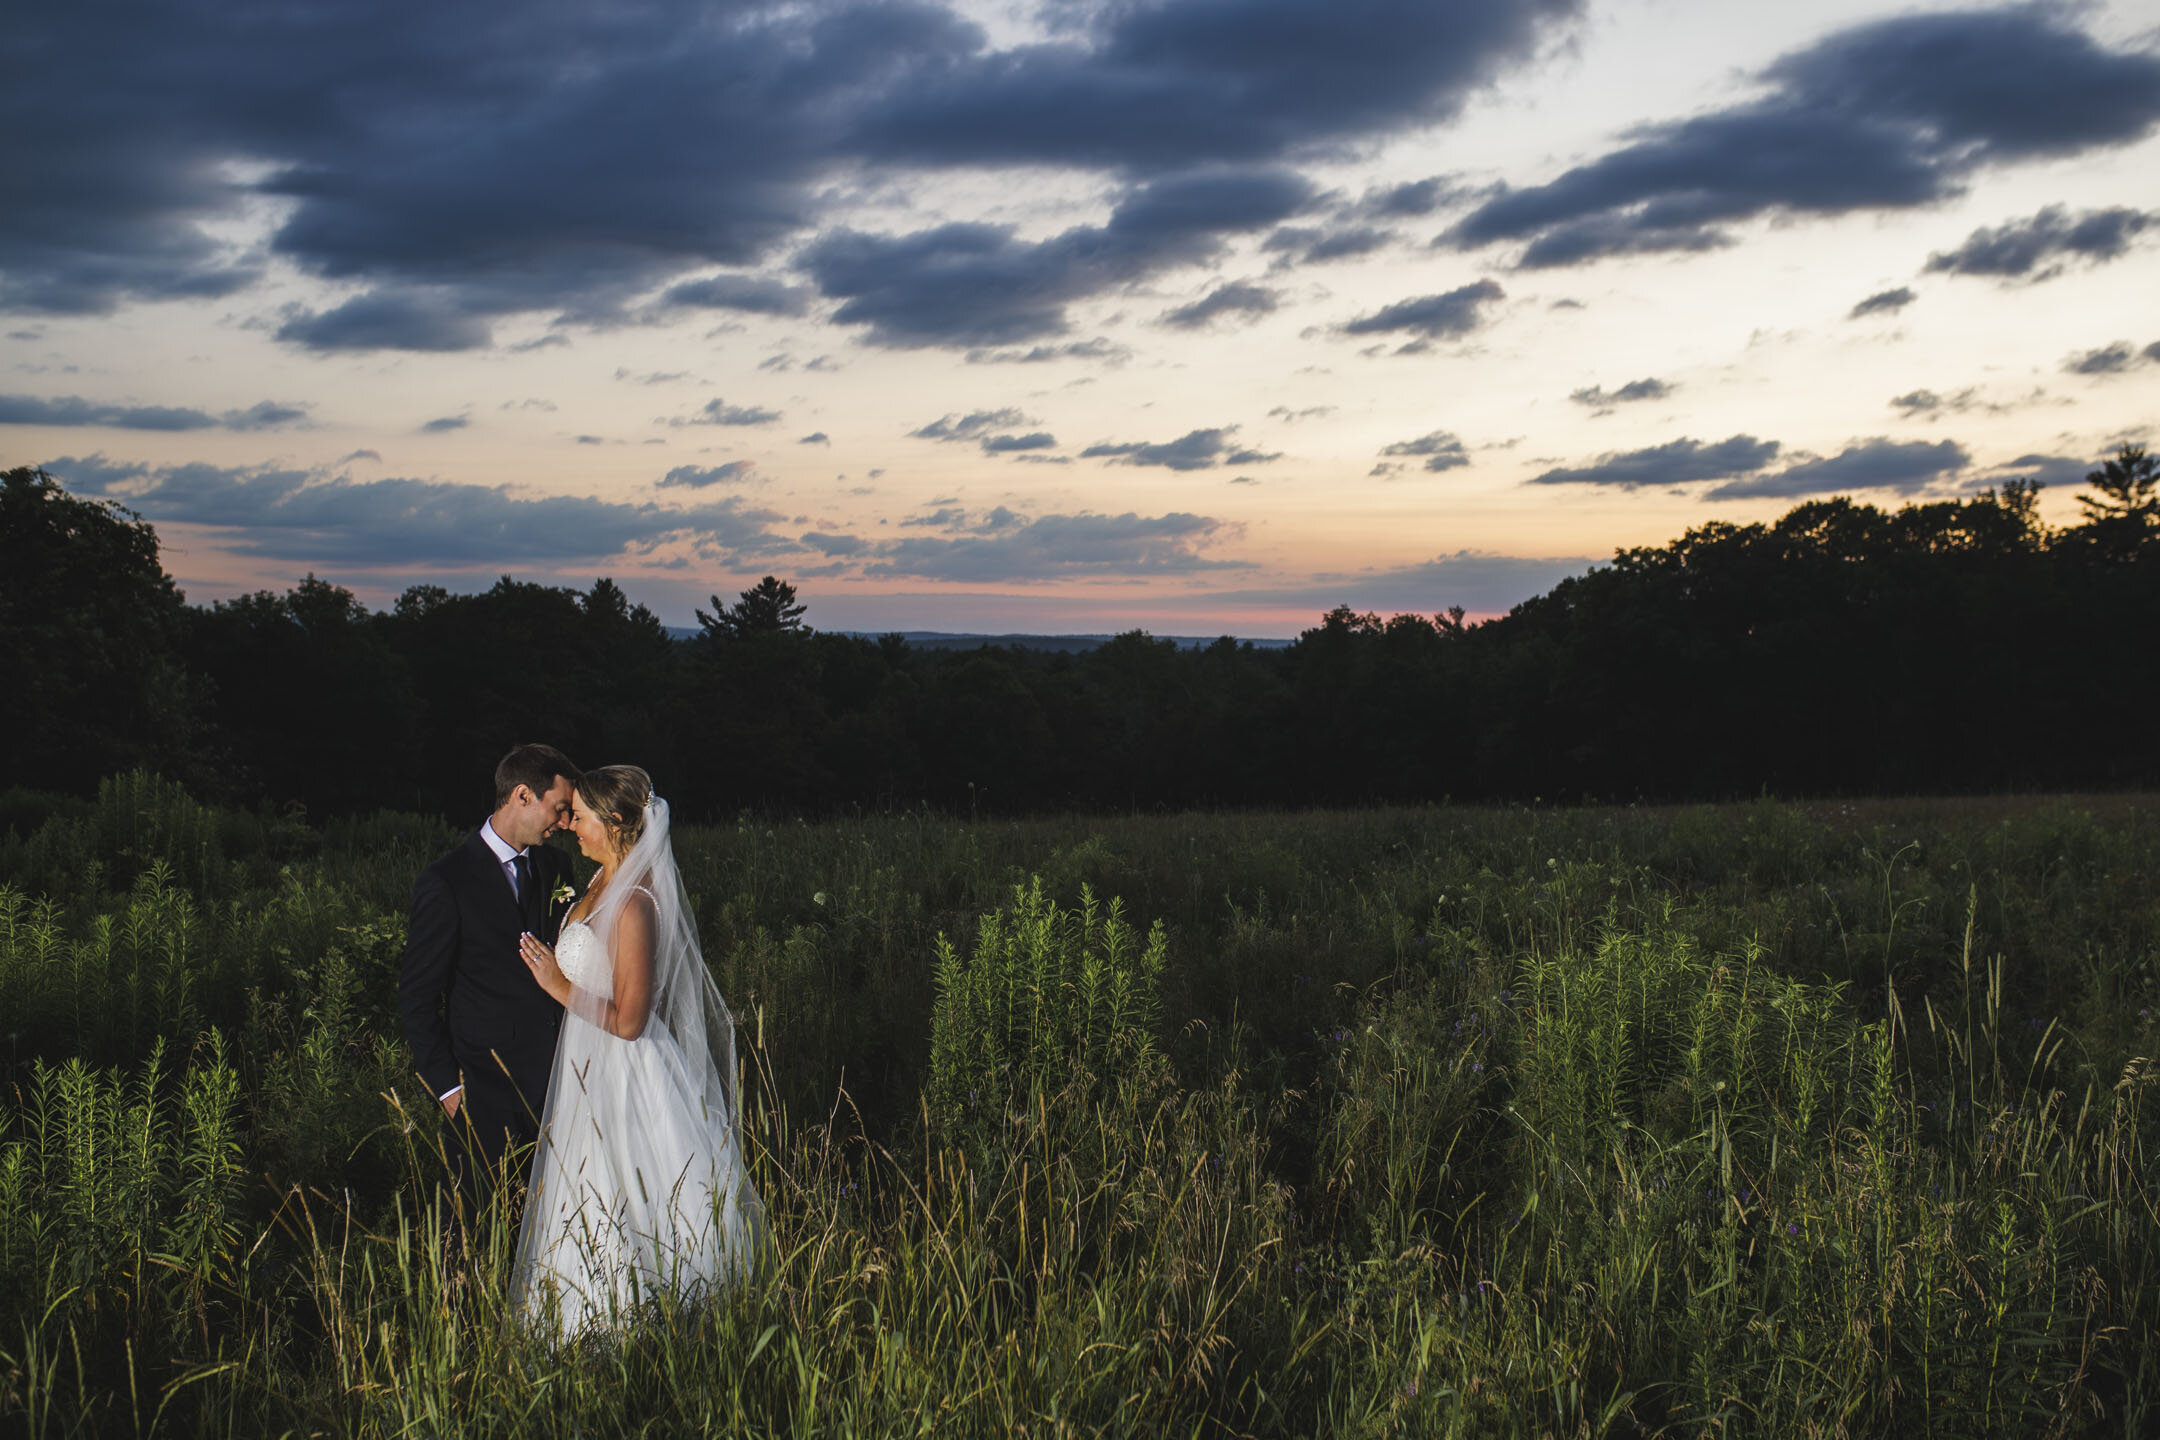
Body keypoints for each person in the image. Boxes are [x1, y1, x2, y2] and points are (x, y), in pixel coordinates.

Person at [509, 765, 764, 1335]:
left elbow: (629, 1019)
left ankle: (642, 1319)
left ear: (616, 821)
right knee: (585, 1187)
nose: (570, 823)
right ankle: (577, 1316)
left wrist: (558, 985)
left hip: (625, 1069)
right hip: (583, 1068)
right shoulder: (598, 883)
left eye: (582, 815)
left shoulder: (635, 904)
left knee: (632, 1188)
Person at [398, 743, 583, 1225]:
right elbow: (417, 998)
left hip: (561, 1083)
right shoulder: (446, 881)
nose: (564, 822)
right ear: (522, 795)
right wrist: (447, 1089)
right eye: (558, 807)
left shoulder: (556, 870)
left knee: (549, 1225)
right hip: (483, 1090)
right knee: (473, 1229)